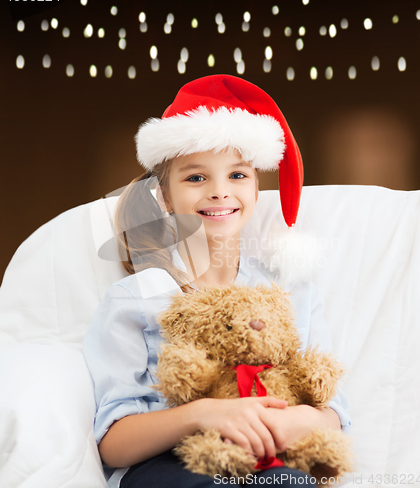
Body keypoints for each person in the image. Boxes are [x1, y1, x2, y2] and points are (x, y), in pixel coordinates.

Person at [83, 75, 351, 488]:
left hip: (272, 463)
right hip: (174, 466)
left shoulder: (290, 289)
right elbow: (113, 443)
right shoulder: (137, 298)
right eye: (195, 178)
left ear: (257, 188)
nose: (219, 192)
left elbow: (334, 414)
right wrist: (205, 413)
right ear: (166, 198)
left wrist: (296, 419)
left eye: (238, 175)